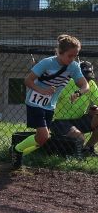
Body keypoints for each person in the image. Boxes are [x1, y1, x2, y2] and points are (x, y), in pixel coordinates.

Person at [11, 35, 89, 168]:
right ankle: (17, 151)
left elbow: (85, 86)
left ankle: (18, 152)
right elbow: (28, 81)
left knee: (43, 139)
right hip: (34, 102)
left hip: (49, 105)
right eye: (70, 56)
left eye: (75, 56)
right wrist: (41, 91)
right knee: (43, 134)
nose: (72, 59)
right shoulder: (47, 63)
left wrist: (77, 93)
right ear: (60, 52)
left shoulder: (74, 67)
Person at [51, 60, 98, 154]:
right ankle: (77, 154)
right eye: (84, 78)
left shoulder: (91, 84)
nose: (87, 81)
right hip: (59, 121)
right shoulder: (64, 84)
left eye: (88, 78)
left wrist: (96, 111)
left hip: (79, 119)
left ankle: (87, 149)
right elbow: (49, 104)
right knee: (79, 137)